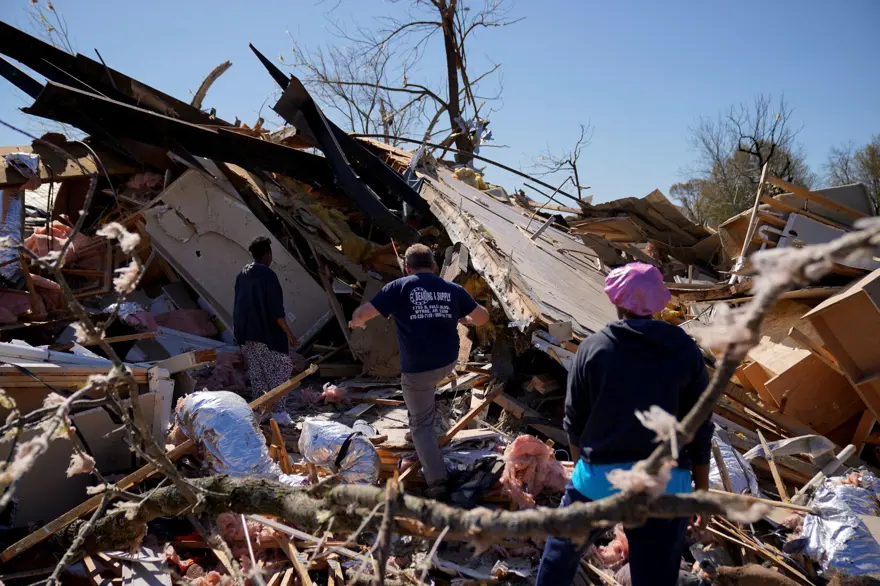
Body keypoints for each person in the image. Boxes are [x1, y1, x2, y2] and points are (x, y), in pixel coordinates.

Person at [535, 262, 712, 586]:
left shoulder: (592, 348)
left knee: (560, 554)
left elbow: (574, 422)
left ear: (616, 302)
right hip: (666, 483)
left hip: (601, 476)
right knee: (655, 574)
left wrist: (583, 476)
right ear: (660, 302)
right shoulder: (685, 349)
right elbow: (700, 427)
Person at [349, 243, 490, 496]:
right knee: (426, 398)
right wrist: (461, 317)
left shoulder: (399, 287)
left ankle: (438, 482)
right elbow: (482, 318)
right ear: (435, 267)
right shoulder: (452, 289)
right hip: (448, 363)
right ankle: (424, 425)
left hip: (419, 371)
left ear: (407, 267)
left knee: (421, 426)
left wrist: (355, 323)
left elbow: (363, 313)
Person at [234, 236, 298, 423]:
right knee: (282, 369)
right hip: (267, 334)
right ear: (267, 254)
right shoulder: (268, 276)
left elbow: (238, 304)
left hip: (247, 334)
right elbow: (277, 312)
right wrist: (290, 335)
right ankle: (278, 412)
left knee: (258, 373)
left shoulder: (242, 274)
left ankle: (261, 411)